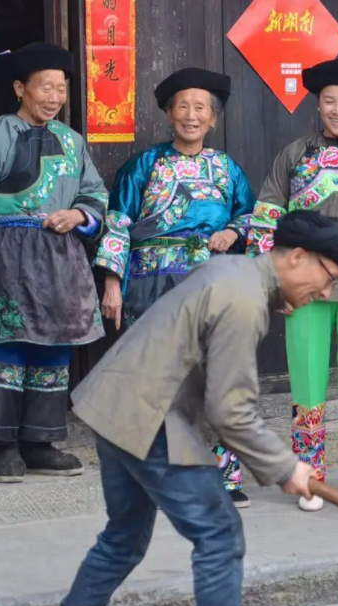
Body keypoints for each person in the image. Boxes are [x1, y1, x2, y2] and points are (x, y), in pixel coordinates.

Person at [42, 210, 338, 606]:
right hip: (150, 416)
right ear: (297, 257)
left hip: (115, 403)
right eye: (328, 278)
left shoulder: (234, 272)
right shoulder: (245, 299)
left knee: (124, 536)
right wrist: (286, 466)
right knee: (219, 534)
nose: (325, 292)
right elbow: (231, 410)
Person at [95, 67, 257, 508]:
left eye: (200, 108)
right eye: (182, 106)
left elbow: (251, 217)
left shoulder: (226, 168)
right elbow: (118, 222)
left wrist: (233, 232)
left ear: (213, 119)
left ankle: (222, 476)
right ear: (169, 113)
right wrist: (111, 282)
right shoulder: (144, 165)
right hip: (150, 282)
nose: (191, 115)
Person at [245, 58, 338, 512]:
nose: (337, 109)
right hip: (303, 287)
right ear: (317, 104)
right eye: (329, 101)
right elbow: (267, 216)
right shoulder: (295, 155)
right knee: (307, 384)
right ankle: (308, 477)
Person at [0, 43, 109, 483]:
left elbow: (95, 193)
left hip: (61, 259)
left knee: (54, 345)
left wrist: (79, 215)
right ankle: (2, 445)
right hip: (7, 254)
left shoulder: (72, 141)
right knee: (5, 344)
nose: (54, 97)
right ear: (19, 88)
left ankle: (40, 442)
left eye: (60, 89)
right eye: (45, 87)